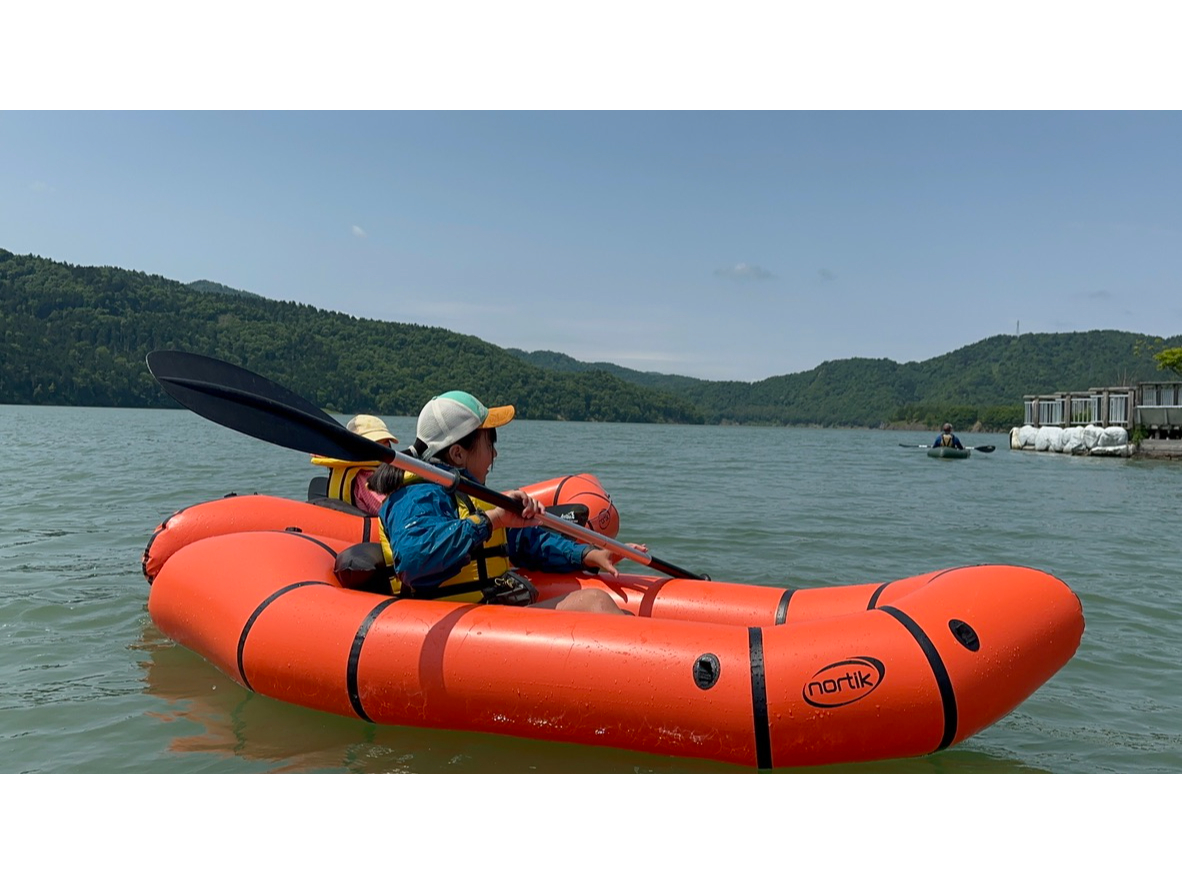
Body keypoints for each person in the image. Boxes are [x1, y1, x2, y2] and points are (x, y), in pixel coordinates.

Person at [371, 391, 637, 613]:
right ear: (457, 454)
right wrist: (492, 520)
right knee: (595, 604)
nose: (494, 453)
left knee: (615, 612)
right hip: (445, 628)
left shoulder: (471, 496)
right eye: (489, 444)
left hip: (484, 619)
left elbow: (527, 543)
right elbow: (414, 560)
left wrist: (587, 554)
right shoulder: (416, 496)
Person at [310, 414, 398, 516]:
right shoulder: (367, 478)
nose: (383, 448)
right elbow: (389, 512)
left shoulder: (349, 468)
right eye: (376, 443)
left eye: (385, 442)